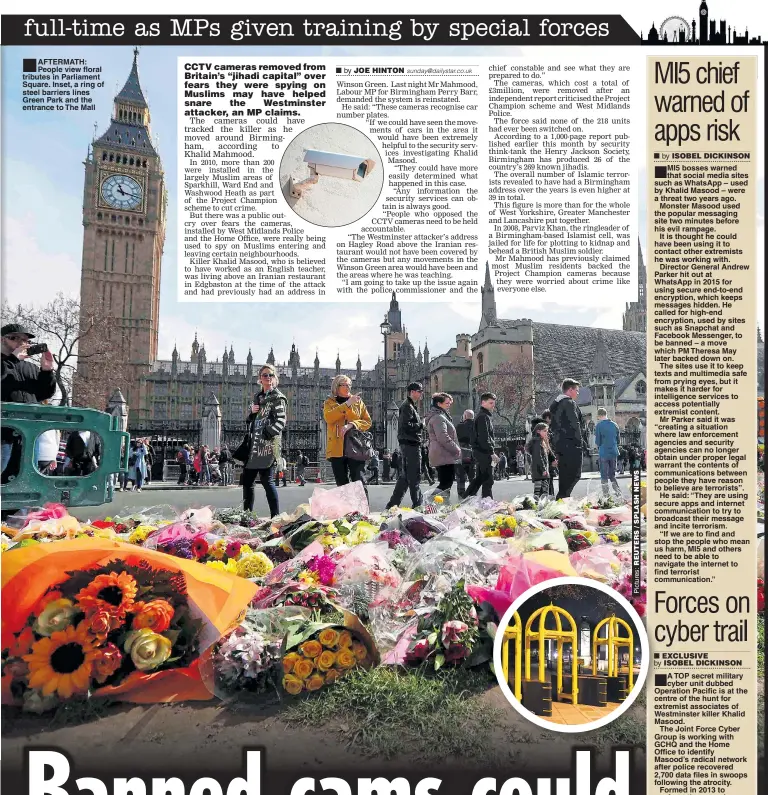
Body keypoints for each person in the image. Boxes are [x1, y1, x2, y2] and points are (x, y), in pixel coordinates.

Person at [1, 323, 56, 482]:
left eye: (25, 340)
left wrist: (47, 371)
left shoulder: (30, 368)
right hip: (4, 435)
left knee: (24, 481)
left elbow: (45, 393)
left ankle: (21, 508)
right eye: (14, 338)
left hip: (29, 436)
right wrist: (12, 359)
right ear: (1, 340)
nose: (20, 343)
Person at [242, 364, 287, 517]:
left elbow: (281, 421)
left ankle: (275, 517)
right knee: (248, 482)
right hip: (254, 446)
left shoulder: (278, 397)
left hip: (267, 446)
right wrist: (251, 414)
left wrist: (266, 434)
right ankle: (246, 516)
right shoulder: (258, 397)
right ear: (260, 379)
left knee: (268, 482)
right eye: (264, 375)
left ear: (275, 378)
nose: (268, 378)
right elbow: (252, 421)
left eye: (270, 375)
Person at [323, 374, 372, 492]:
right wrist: (347, 404)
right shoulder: (329, 403)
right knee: (342, 486)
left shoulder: (358, 402)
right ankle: (348, 511)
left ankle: (363, 510)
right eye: (344, 385)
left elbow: (367, 422)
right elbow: (329, 418)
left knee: (359, 483)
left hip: (356, 446)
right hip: (336, 449)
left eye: (349, 385)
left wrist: (352, 424)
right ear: (336, 387)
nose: (348, 387)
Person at [385, 382, 425, 509]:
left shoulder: (411, 406)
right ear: (412, 392)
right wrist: (421, 425)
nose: (421, 393)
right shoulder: (407, 406)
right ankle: (418, 505)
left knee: (405, 478)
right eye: (420, 391)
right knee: (414, 476)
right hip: (410, 445)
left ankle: (392, 506)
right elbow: (406, 426)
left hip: (410, 445)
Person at [549, 378, 588, 499]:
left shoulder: (556, 404)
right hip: (571, 444)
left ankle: (563, 498)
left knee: (565, 475)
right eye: (576, 390)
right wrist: (581, 442)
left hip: (561, 444)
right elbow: (574, 424)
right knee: (575, 475)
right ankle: (562, 497)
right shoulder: (569, 403)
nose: (577, 393)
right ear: (570, 390)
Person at [425, 392, 461, 496]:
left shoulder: (440, 416)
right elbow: (443, 437)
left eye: (450, 403)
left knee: (446, 483)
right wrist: (456, 449)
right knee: (445, 483)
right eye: (447, 403)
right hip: (443, 454)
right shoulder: (438, 418)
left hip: (442, 453)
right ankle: (432, 502)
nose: (449, 405)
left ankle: (440, 504)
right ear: (439, 404)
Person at [464, 393, 497, 499]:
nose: (493, 405)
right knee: (488, 479)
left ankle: (467, 497)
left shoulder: (483, 416)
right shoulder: (483, 417)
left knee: (481, 478)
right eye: (490, 403)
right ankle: (487, 501)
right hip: (483, 452)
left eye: (493, 403)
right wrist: (491, 452)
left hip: (480, 451)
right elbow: (484, 437)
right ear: (483, 402)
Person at [594, 408, 622, 499]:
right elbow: (618, 440)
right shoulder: (615, 425)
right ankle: (618, 493)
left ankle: (606, 496)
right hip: (613, 452)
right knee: (612, 475)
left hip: (604, 452)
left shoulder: (599, 426)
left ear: (599, 416)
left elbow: (598, 442)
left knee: (604, 475)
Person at [527, 422, 552, 500]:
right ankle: (540, 504)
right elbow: (538, 456)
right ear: (538, 431)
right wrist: (544, 469)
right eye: (544, 431)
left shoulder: (539, 441)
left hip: (538, 471)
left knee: (538, 491)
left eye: (546, 431)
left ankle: (538, 504)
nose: (546, 433)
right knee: (543, 491)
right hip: (540, 471)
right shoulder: (538, 442)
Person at [455, 409, 475, 499]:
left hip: (461, 456)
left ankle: (461, 496)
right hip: (473, 456)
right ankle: (473, 496)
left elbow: (454, 440)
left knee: (460, 478)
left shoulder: (459, 426)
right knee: (473, 477)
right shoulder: (477, 426)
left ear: (465, 416)